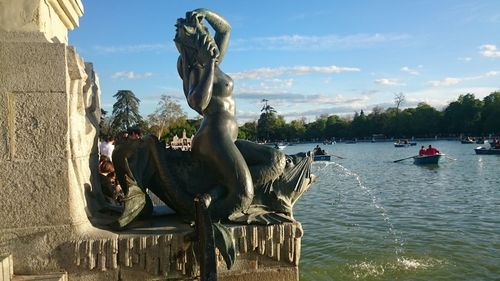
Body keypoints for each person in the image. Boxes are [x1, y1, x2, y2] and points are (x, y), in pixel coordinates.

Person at [175, 8, 253, 218]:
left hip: (228, 136)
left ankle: (214, 194)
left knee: (275, 160)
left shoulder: (214, 60)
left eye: (208, 36)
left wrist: (207, 14)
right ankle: (206, 223)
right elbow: (199, 103)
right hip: (213, 136)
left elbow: (225, 30)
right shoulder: (195, 70)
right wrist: (209, 64)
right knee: (244, 194)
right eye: (204, 38)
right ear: (195, 46)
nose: (210, 41)